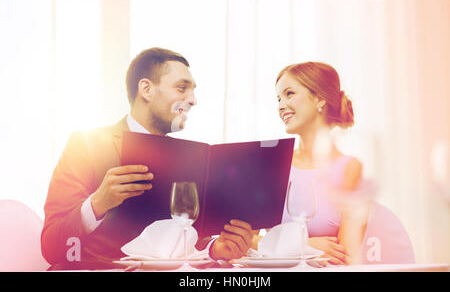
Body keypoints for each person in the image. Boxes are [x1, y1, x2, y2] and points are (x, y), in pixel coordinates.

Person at [41, 47, 253, 270]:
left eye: (192, 91)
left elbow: (181, 237)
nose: (192, 100)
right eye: (182, 88)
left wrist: (215, 248)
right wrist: (97, 204)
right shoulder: (86, 144)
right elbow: (51, 247)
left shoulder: (189, 158)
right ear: (146, 89)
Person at [269, 61, 371, 265]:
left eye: (289, 94)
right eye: (279, 98)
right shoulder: (273, 165)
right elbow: (247, 242)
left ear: (319, 99)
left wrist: (284, 247)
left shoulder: (350, 168)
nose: (281, 106)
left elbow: (346, 255)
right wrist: (303, 246)